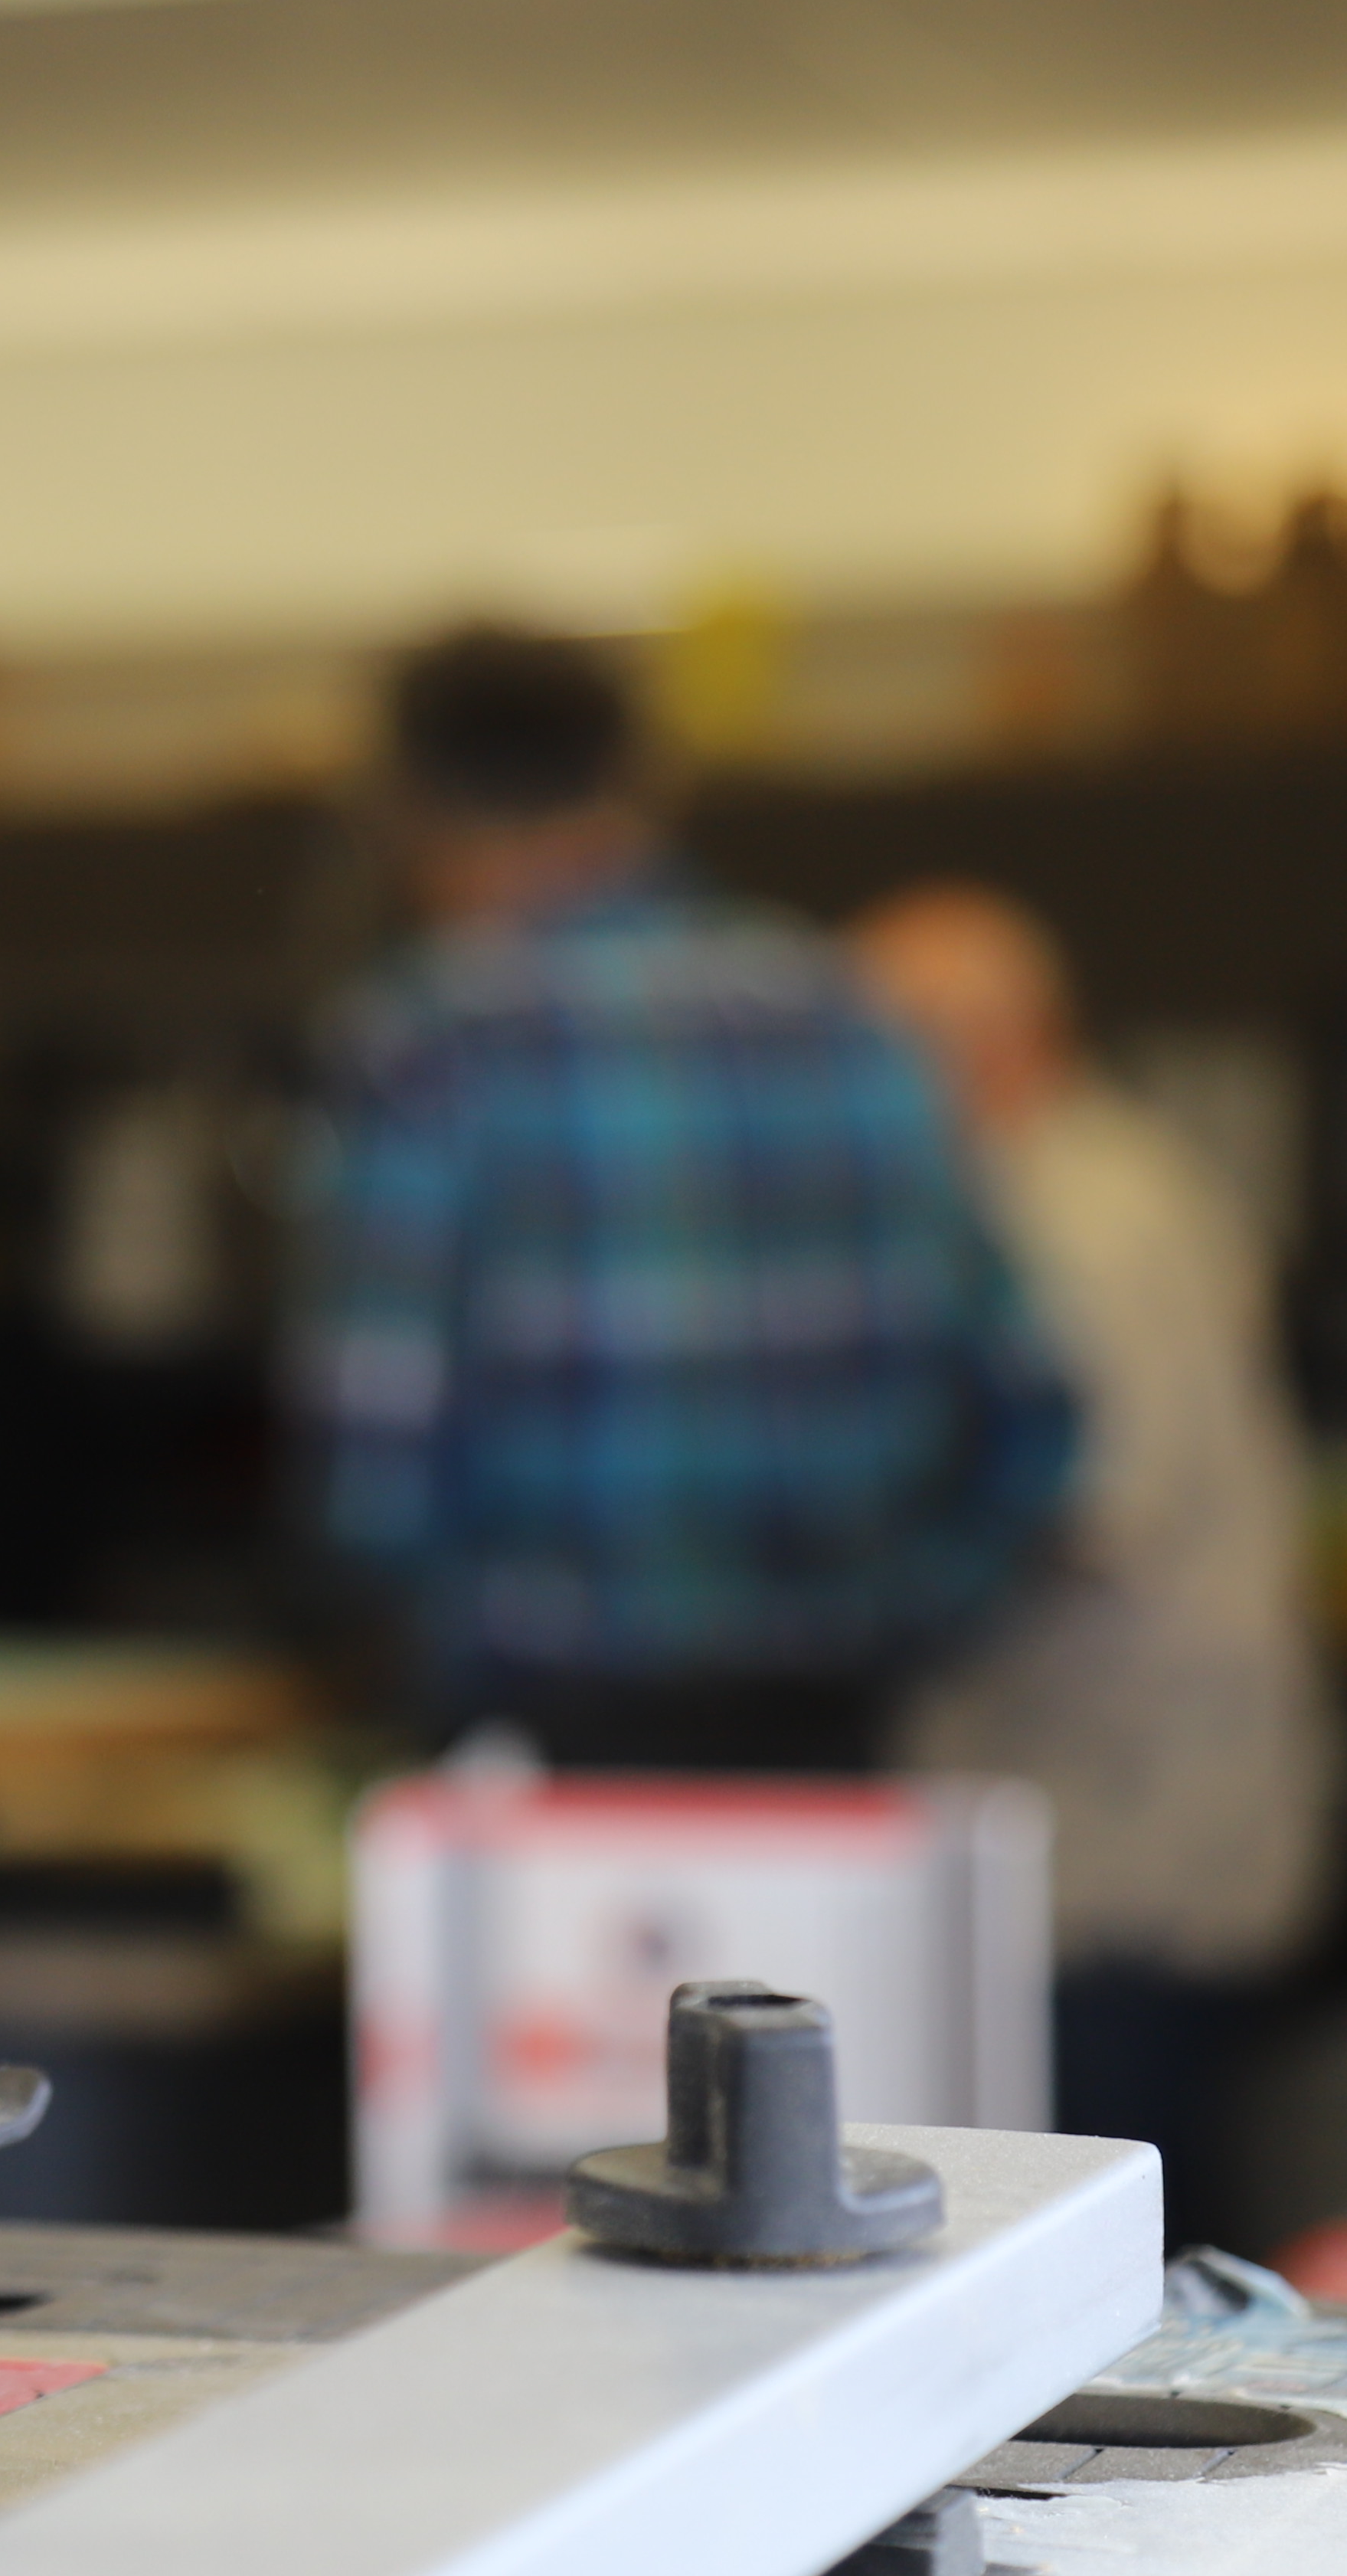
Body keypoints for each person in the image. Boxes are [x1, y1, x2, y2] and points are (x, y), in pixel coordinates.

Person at [299, 626, 1072, 1771]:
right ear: (646, 788)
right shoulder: (854, 1017)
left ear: (407, 814)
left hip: (544, 1737)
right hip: (831, 1726)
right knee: (807, 1965)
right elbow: (1032, 1420)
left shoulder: (431, 1043)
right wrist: (900, 1616)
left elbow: (374, 1475)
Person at [852, 879, 1331, 2216]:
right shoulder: (1063, 1182)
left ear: (989, 1040)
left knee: (1115, 2258)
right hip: (1104, 1819)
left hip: (1121, 1838)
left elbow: (1085, 1511)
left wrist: (854, 1599)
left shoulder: (1081, 1216)